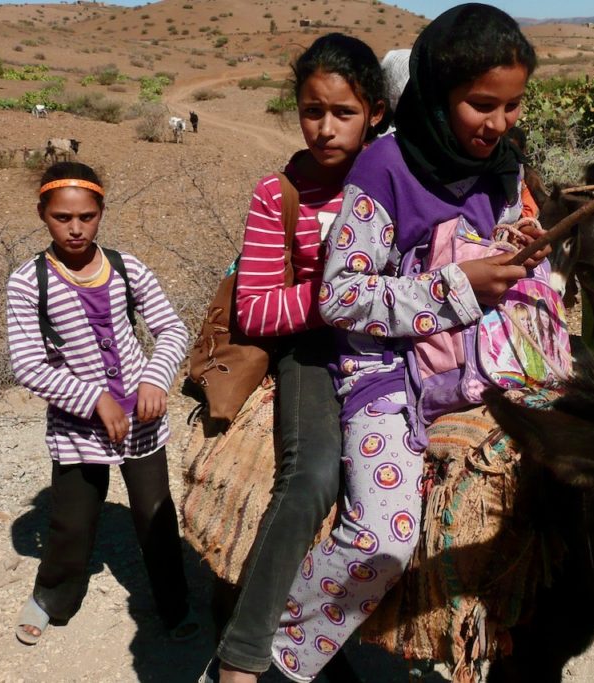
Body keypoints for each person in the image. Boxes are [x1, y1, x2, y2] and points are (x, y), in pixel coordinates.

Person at [270, 5, 548, 680]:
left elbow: (502, 235)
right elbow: (340, 296)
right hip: (384, 371)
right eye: (482, 104)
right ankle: (285, 650)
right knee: (384, 541)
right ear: (435, 89)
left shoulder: (504, 166)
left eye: (512, 106)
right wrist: (455, 286)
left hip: (479, 357)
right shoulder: (383, 170)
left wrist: (517, 250)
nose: (500, 123)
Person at [202, 33, 388, 683]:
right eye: (313, 111)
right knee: (310, 477)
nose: (327, 128)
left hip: (391, 350)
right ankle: (242, 654)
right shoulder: (275, 194)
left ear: (376, 114)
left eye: (344, 113)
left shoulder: (397, 182)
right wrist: (338, 297)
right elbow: (255, 309)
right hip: (313, 353)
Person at [6, 161, 195, 646]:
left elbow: (172, 329)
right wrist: (94, 399)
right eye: (62, 217)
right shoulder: (29, 283)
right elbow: (28, 365)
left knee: (155, 514)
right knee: (72, 520)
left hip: (143, 420)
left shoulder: (128, 268)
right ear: (42, 214)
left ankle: (173, 604)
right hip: (77, 426)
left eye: (87, 217)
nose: (75, 228)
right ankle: (52, 597)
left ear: (101, 212)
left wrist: (155, 378)